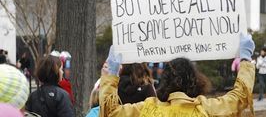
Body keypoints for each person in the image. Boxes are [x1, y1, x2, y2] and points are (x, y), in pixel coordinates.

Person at [99, 34, 256, 117]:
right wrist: (245, 59)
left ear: (164, 80)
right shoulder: (206, 109)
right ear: (195, 80)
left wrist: (111, 76)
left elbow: (110, 113)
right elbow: (239, 98)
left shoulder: (147, 108)